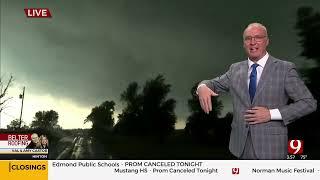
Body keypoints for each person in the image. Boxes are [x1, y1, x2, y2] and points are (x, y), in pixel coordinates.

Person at [197, 22, 317, 159]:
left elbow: (308, 103)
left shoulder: (285, 69)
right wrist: (202, 87)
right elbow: (212, 84)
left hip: (271, 150)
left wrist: (271, 114)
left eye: (258, 37)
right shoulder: (235, 69)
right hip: (238, 149)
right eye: (248, 38)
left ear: (267, 41)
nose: (252, 42)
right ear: (244, 43)